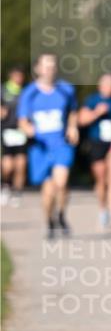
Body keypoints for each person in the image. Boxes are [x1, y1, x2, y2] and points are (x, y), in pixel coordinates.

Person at [17, 53, 78, 237]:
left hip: (61, 144)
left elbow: (73, 111)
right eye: (45, 66)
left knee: (62, 182)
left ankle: (61, 214)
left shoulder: (66, 89)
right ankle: (49, 220)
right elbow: (22, 121)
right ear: (37, 69)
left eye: (52, 66)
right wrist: (30, 130)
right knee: (48, 189)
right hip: (40, 147)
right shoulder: (29, 93)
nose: (49, 69)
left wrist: (72, 127)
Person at [78, 72, 111, 229]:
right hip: (96, 143)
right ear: (100, 85)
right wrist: (97, 112)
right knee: (102, 180)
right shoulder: (92, 100)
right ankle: (103, 209)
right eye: (106, 84)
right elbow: (81, 120)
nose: (109, 88)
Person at [1, 64, 27, 205]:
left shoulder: (26, 91)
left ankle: (17, 191)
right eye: (16, 76)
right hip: (7, 130)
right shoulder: (3, 90)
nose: (19, 79)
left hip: (21, 131)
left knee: (21, 163)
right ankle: (5, 186)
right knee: (8, 165)